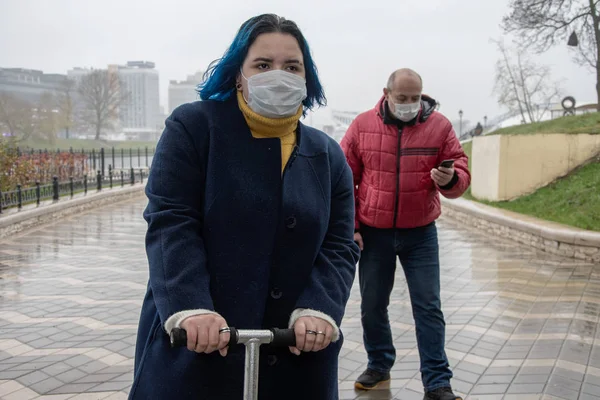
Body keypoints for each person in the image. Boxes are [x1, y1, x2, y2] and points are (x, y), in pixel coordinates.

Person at [129, 14, 360, 400]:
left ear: (307, 77)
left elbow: (339, 244)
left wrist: (319, 309)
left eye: (292, 66)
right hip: (201, 347)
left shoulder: (328, 155)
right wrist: (191, 307)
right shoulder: (194, 128)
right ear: (239, 73)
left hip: (295, 353)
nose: (279, 74)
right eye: (263, 65)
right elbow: (171, 221)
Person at [340, 68, 470, 400]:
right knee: (372, 304)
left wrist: (451, 179)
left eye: (415, 98)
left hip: (421, 233)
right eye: (402, 98)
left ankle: (438, 383)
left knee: (428, 306)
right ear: (386, 93)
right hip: (374, 232)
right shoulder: (362, 126)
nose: (410, 104)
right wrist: (352, 227)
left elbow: (460, 167)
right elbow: (343, 180)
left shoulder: (439, 126)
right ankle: (379, 365)